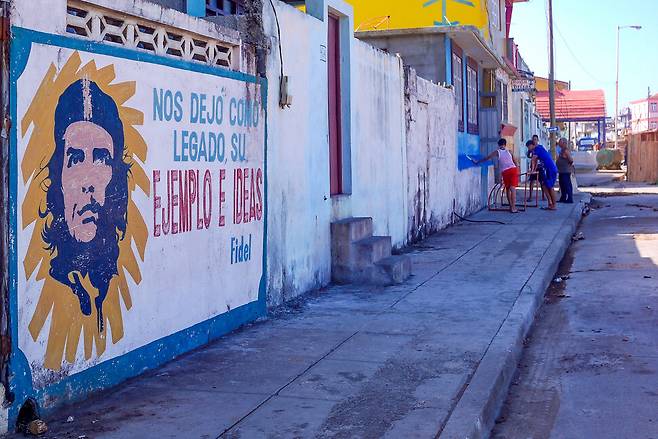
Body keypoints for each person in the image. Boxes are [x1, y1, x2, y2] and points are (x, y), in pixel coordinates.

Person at [45, 78, 130, 331]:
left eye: (102, 160)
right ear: (58, 176)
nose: (88, 182)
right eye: (76, 159)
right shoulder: (57, 285)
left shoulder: (112, 282)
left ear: (115, 178)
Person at [476, 138, 520, 213]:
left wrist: (478, 161)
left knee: (508, 189)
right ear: (505, 144)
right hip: (513, 170)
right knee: (513, 189)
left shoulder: (497, 152)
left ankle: (510, 207)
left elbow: (487, 157)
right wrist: (518, 172)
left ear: (498, 145)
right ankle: (513, 208)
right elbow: (516, 162)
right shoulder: (509, 151)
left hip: (505, 172)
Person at [526, 139, 558, 210]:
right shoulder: (538, 149)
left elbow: (533, 160)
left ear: (531, 145)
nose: (528, 149)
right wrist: (533, 170)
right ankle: (550, 203)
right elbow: (535, 160)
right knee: (544, 185)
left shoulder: (537, 149)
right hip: (547, 169)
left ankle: (554, 205)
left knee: (550, 187)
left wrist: (532, 170)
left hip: (550, 169)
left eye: (528, 147)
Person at [556, 137, 574, 203]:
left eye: (560, 142)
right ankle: (563, 198)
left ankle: (569, 198)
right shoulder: (562, 150)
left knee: (567, 185)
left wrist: (567, 164)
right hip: (561, 171)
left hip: (565, 171)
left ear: (563, 143)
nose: (559, 143)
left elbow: (571, 160)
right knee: (562, 185)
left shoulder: (566, 150)